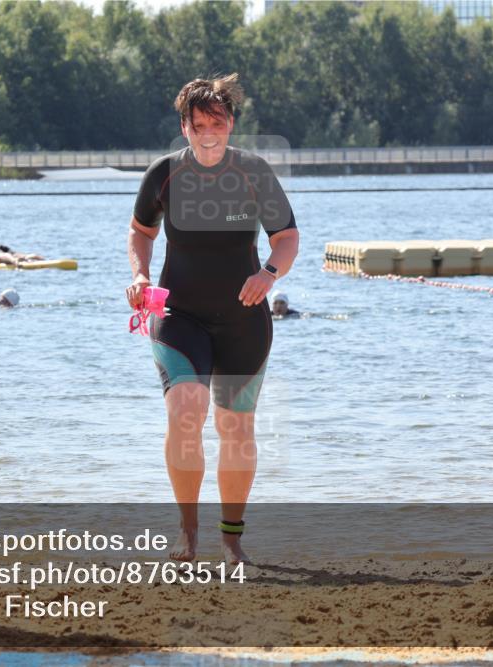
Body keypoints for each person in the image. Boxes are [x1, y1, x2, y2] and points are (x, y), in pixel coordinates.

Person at [125, 73, 299, 565]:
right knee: (185, 410)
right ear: (184, 126)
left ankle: (231, 539)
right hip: (179, 315)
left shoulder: (253, 172)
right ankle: (187, 532)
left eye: (216, 124)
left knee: (236, 428)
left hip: (245, 321)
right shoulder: (164, 174)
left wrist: (268, 274)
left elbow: (286, 239)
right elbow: (140, 233)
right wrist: (139, 277)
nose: (208, 133)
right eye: (198, 124)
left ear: (231, 125)